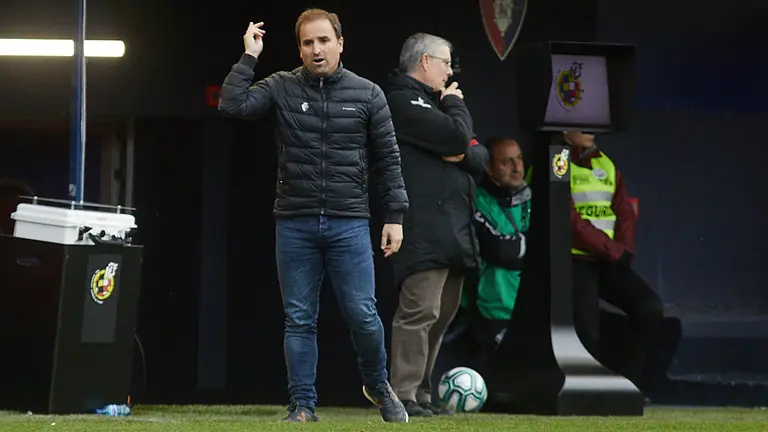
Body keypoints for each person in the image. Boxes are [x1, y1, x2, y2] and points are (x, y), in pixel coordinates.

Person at [218, 9, 409, 423]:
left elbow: (389, 159)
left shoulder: (368, 93)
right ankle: (302, 406)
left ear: (340, 43)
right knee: (300, 318)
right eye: (308, 43)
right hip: (295, 220)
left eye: (324, 41)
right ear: (299, 49)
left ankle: (378, 385)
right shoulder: (282, 86)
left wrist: (393, 215)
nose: (316, 49)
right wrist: (249, 57)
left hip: (349, 221)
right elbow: (232, 104)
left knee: (363, 313)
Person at [382, 32, 487, 417]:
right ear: (425, 62)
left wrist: (459, 149)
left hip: (454, 229)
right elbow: (459, 136)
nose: (450, 71)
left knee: (441, 316)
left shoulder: (435, 104)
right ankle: (403, 394)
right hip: (423, 227)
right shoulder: (402, 100)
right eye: (446, 62)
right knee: (419, 313)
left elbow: (480, 158)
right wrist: (456, 107)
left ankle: (423, 395)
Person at [564, 131, 664, 392]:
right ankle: (586, 393)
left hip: (608, 259)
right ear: (564, 129)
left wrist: (624, 248)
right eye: (582, 126)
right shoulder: (556, 162)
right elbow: (568, 220)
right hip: (574, 258)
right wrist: (612, 249)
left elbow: (624, 212)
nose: (591, 130)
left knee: (649, 308)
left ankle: (626, 387)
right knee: (586, 330)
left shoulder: (605, 163)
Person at [460, 136, 530, 371]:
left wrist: (518, 248)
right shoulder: (476, 200)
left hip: (532, 309)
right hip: (492, 308)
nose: (517, 167)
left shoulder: (535, 199)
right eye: (506, 161)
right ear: (488, 168)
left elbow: (552, 244)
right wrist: (526, 247)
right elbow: (497, 249)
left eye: (519, 159)